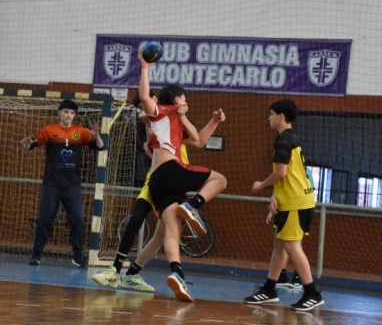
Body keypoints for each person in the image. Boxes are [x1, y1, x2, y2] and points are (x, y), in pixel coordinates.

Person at [92, 91, 225, 292]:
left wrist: (213, 121)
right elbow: (149, 146)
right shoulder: (157, 121)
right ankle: (115, 269)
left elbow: (199, 141)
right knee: (137, 219)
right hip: (162, 178)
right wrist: (150, 120)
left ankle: (135, 273)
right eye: (140, 107)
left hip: (175, 179)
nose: (145, 108)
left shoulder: (171, 121)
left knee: (162, 235)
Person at [138, 49, 227, 302]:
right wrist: (146, 67)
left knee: (170, 231)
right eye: (184, 99)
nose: (187, 102)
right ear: (177, 99)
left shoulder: (176, 119)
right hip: (170, 170)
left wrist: (214, 121)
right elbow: (145, 97)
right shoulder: (159, 112)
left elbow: (199, 141)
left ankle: (177, 274)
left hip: (158, 184)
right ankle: (193, 205)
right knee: (220, 179)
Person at [243, 99, 324, 311]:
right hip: (296, 199)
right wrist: (275, 197)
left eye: (271, 114)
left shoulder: (283, 140)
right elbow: (291, 176)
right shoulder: (292, 138)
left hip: (296, 202)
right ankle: (270, 289)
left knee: (291, 246)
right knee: (280, 244)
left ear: (281, 116)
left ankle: (312, 293)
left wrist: (261, 185)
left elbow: (281, 173)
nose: (269, 118)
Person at [22, 99, 104, 267]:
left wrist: (96, 135)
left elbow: (100, 147)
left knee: (77, 220)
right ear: (59, 113)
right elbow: (31, 145)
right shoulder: (49, 130)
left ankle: (77, 256)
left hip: (72, 185)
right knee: (45, 219)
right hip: (51, 183)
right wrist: (27, 145)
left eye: (72, 113)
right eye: (66, 112)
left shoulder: (80, 132)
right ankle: (36, 255)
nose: (69, 115)